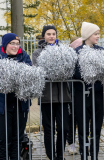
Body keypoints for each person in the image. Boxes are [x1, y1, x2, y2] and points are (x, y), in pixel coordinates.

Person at [32, 25, 71, 160]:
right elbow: (40, 71)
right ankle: (51, 156)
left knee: (64, 128)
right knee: (49, 129)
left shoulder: (64, 50)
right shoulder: (37, 52)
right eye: (48, 34)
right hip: (47, 96)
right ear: (44, 36)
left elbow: (69, 69)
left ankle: (60, 155)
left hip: (63, 97)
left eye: (53, 34)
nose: (51, 36)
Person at [0, 33, 31, 160]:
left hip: (20, 104)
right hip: (2, 105)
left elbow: (30, 74)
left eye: (17, 43)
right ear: (5, 44)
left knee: (18, 137)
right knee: (3, 138)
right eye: (12, 43)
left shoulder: (24, 56)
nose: (15, 46)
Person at [73, 22, 104, 160]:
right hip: (81, 95)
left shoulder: (101, 51)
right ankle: (84, 155)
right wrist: (89, 73)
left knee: (96, 128)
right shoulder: (76, 52)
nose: (98, 36)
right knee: (83, 128)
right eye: (95, 34)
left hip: (98, 94)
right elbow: (74, 73)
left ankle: (94, 156)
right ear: (87, 35)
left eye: (98, 34)